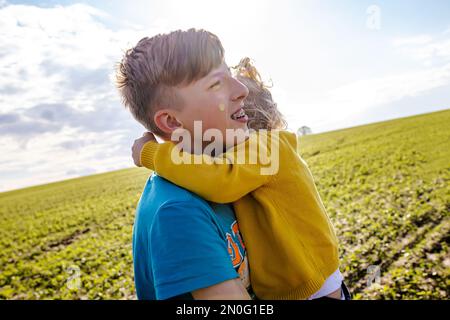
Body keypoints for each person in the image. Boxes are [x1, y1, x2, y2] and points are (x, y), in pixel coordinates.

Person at [131, 57, 352, 300]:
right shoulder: (180, 204)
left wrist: (150, 153)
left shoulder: (267, 148)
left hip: (310, 287)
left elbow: (220, 179)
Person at [116, 28, 253, 300]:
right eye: (216, 84)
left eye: (230, 75)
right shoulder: (178, 212)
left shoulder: (225, 173)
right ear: (173, 122)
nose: (242, 90)